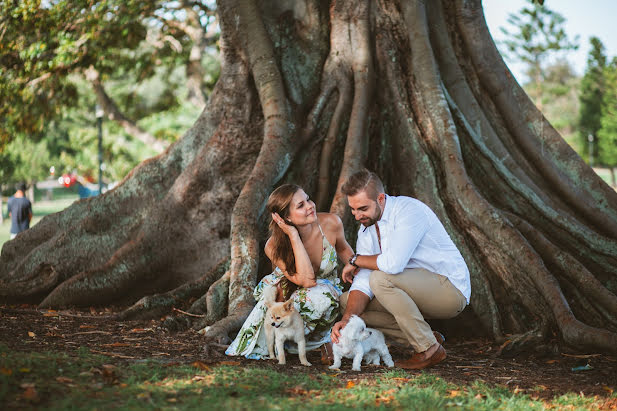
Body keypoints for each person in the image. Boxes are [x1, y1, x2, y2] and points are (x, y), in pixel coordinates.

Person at [331, 169, 471, 369]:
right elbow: (364, 279)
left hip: (449, 290)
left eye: (362, 208)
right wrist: (347, 320)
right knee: (349, 305)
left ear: (380, 199)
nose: (356, 215)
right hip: (411, 289)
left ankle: (428, 349)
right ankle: (427, 337)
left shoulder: (409, 211)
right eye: (353, 209)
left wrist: (356, 259)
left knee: (381, 279)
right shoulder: (367, 228)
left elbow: (392, 264)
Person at [226, 184, 354, 362]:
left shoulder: (331, 223)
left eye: (308, 199)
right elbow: (307, 280)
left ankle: (322, 341)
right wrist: (293, 235)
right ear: (286, 217)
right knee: (293, 303)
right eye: (301, 206)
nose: (310, 206)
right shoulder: (273, 246)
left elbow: (351, 259)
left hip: (323, 294)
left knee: (322, 295)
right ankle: (285, 344)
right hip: (289, 293)